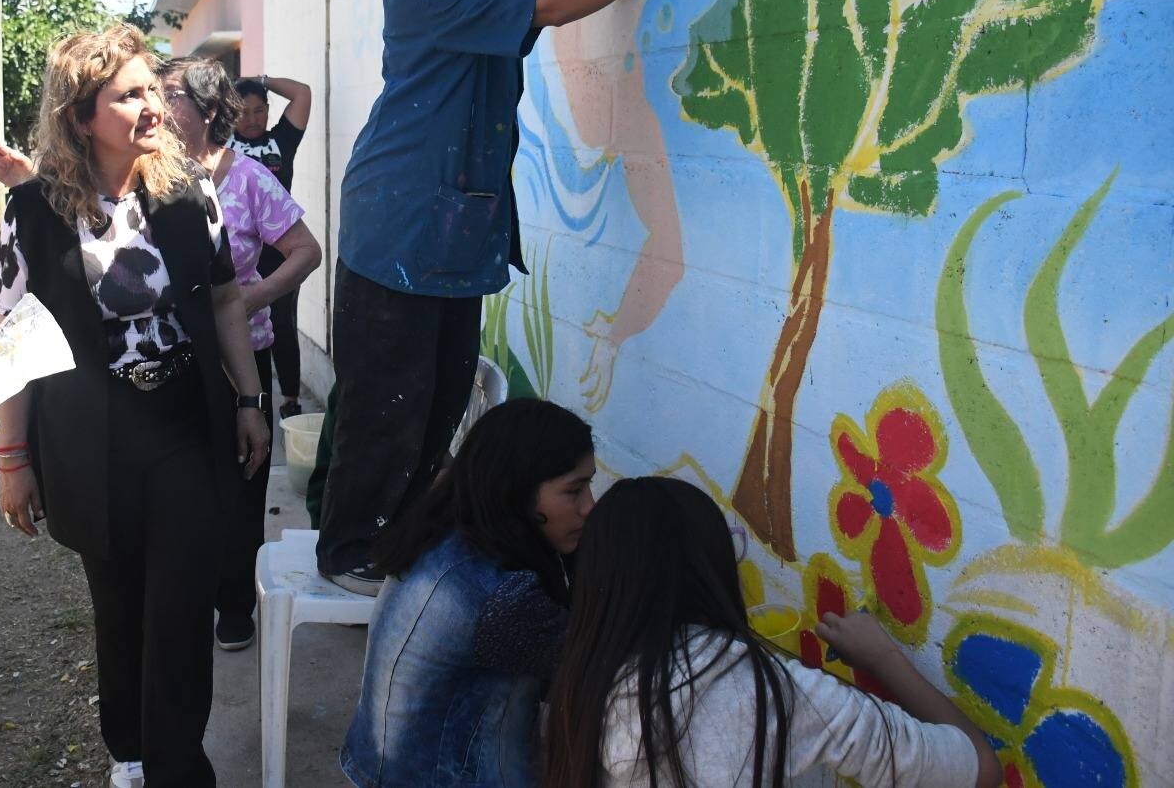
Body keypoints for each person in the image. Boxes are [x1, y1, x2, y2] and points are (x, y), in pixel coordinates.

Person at [317, 0, 736, 594]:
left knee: (439, 406)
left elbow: (544, 0)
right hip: (400, 225)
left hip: (450, 227)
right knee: (386, 412)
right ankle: (349, 553)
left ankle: (397, 545)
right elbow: (549, 6)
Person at [0, 27, 270, 788]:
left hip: (183, 419)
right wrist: (13, 459)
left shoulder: (188, 192)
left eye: (153, 89)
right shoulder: (32, 211)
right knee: (118, 605)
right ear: (81, 116)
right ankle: (131, 751)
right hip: (90, 437)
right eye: (129, 95)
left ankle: (180, 767)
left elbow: (224, 301)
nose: (152, 106)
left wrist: (249, 399)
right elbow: (14, 344)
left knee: (181, 605)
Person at [544, 477, 1002, 787]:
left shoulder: (578, 685)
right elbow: (979, 768)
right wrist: (883, 658)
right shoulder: (775, 693)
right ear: (711, 567)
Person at [342, 398, 595, 788]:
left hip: (380, 769)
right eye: (575, 490)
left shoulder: (444, 531)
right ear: (518, 490)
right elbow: (605, 674)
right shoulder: (503, 597)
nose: (589, 506)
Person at [161, 58, 322, 652]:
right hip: (171, 363)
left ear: (207, 111)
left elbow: (306, 250)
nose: (155, 106)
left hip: (242, 361)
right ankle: (186, 597)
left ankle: (234, 604)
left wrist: (251, 297)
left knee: (241, 484)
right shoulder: (145, 180)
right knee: (180, 486)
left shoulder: (249, 179)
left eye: (170, 95)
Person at [228, 74, 311, 419]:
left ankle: (290, 400)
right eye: (243, 112)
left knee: (281, 324)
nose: (252, 119)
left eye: (259, 110)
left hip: (279, 252)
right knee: (238, 323)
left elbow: (302, 92)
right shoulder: (222, 143)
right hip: (238, 254)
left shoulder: (281, 140)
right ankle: (243, 397)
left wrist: (260, 78)